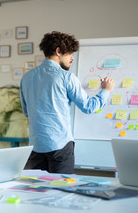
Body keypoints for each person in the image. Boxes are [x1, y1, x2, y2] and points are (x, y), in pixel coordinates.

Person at [20, 31, 115, 174]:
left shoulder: (27, 78)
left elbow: (26, 111)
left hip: (35, 147)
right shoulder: (67, 77)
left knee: (38, 190)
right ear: (58, 51)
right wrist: (105, 91)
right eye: (70, 54)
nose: (72, 58)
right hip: (60, 146)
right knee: (62, 191)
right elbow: (89, 107)